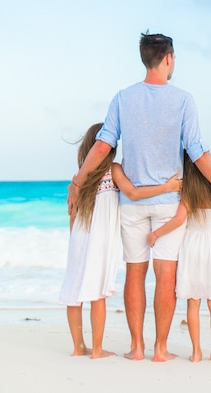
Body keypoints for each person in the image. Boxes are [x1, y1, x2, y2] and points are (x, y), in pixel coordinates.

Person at [66, 33, 211, 362]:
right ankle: (160, 349)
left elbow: (102, 145)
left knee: (135, 273)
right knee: (166, 276)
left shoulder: (123, 98)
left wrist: (77, 181)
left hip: (132, 203)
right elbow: (197, 150)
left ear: (146, 59)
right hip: (168, 199)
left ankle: (137, 348)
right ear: (168, 58)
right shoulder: (183, 100)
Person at [60, 122, 180, 359]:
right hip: (99, 242)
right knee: (97, 292)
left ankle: (78, 347)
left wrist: (74, 242)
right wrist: (167, 187)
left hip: (78, 240)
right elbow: (134, 193)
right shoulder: (112, 170)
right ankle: (96, 349)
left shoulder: (78, 179)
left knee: (74, 290)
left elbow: (71, 215)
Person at [148, 151, 211, 363]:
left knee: (193, 302)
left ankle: (196, 353)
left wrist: (156, 233)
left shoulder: (187, 191)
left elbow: (179, 219)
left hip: (192, 247)